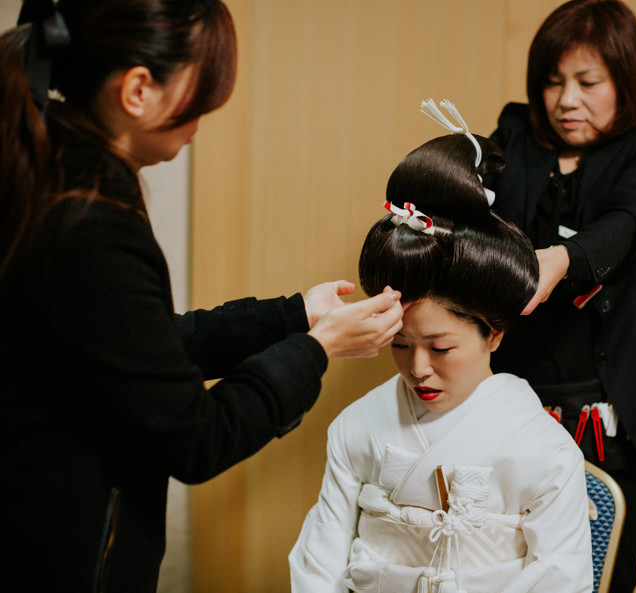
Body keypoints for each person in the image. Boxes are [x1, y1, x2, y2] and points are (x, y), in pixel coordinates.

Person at [0, 1, 402, 591]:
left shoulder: (49, 171)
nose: (205, 116)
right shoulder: (86, 225)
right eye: (203, 91)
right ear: (139, 90)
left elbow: (141, 348)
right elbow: (195, 437)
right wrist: (315, 350)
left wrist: (295, 316)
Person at [288, 101, 593, 593]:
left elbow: (560, 577)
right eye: (401, 344)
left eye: (442, 348)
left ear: (494, 333)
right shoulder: (358, 426)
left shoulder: (544, 450)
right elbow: (321, 555)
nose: (418, 368)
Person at [485, 1, 636, 592]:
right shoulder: (514, 134)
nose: (566, 100)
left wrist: (562, 261)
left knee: (603, 574)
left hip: (611, 407)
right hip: (514, 399)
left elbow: (632, 219)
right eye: (552, 82)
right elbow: (475, 202)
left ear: (624, 82)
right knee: (506, 568)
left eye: (587, 82)